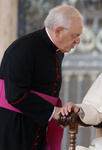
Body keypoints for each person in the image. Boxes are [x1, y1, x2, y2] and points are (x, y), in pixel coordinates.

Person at [0, 5, 83, 150]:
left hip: (37, 122)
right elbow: (15, 95)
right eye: (75, 35)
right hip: (15, 127)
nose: (78, 41)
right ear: (58, 31)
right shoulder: (22, 49)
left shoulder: (58, 51)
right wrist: (53, 111)